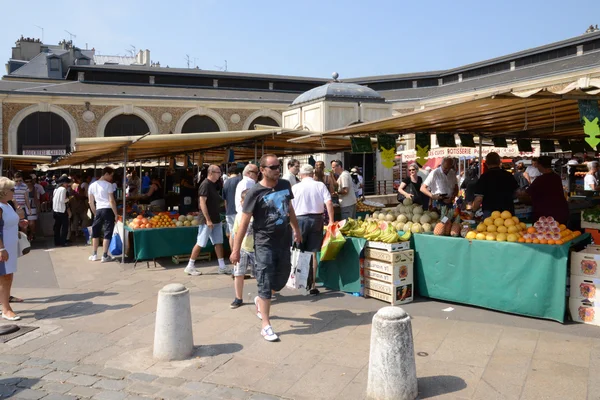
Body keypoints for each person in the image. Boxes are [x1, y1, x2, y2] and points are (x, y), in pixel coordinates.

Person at [230, 154, 302, 342]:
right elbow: (244, 223)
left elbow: (290, 208)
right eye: (273, 167)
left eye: (278, 166)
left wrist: (296, 229)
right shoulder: (254, 192)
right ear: (262, 170)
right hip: (264, 243)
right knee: (265, 280)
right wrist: (235, 250)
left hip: (283, 241)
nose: (277, 170)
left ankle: (260, 300)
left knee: (280, 280)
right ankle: (266, 325)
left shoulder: (285, 185)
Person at [292, 165, 334, 295]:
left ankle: (299, 281)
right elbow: (329, 202)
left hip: (299, 219)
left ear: (301, 175)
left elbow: (290, 208)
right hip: (317, 219)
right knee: (313, 253)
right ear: (312, 173)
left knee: (299, 250)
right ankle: (313, 285)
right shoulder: (320, 185)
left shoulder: (295, 187)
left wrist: (292, 226)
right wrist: (331, 221)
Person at [185, 165, 230, 276]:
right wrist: (208, 219)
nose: (220, 174)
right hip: (207, 220)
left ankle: (222, 266)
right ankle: (190, 266)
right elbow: (202, 203)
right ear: (211, 173)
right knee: (201, 242)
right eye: (218, 172)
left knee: (218, 242)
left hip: (216, 218)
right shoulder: (205, 184)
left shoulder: (213, 185)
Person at [0, 177, 22, 321]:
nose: (14, 192)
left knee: (8, 276)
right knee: (5, 277)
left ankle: (5, 302)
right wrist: (1, 248)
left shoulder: (7, 205)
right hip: (4, 247)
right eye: (11, 190)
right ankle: (6, 309)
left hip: (10, 246)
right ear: (3, 192)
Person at [524, 156, 569, 224]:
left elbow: (527, 193)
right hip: (560, 211)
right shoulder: (556, 177)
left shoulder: (540, 179)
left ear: (540, 165)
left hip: (546, 214)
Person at [230, 189, 255, 309]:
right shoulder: (239, 216)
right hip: (243, 248)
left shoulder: (259, 214)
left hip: (257, 249)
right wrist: (235, 250)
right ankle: (238, 298)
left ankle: (262, 296)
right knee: (238, 273)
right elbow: (235, 234)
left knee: (260, 275)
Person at [472, 152, 519, 217]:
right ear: (499, 162)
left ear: (486, 163)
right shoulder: (508, 175)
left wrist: (473, 211)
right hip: (507, 212)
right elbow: (517, 193)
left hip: (490, 213)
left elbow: (479, 199)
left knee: (490, 227)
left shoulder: (484, 177)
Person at [88, 167, 119, 262]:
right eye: (111, 175)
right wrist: (116, 214)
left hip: (98, 210)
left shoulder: (92, 185)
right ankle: (105, 255)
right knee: (107, 232)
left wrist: (95, 212)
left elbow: (90, 202)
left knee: (96, 232)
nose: (111, 178)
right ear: (106, 174)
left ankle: (94, 254)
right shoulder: (108, 185)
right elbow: (111, 201)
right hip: (108, 210)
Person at [222, 166, 242, 249]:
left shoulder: (225, 183)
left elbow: (225, 201)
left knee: (232, 234)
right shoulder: (240, 180)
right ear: (238, 173)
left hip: (229, 212)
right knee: (240, 234)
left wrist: (227, 211)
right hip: (238, 211)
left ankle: (233, 255)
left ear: (229, 174)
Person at [52, 176, 71, 247]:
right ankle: (63, 242)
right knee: (64, 227)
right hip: (62, 210)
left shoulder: (56, 189)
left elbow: (54, 199)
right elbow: (62, 200)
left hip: (55, 210)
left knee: (57, 227)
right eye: (67, 183)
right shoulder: (63, 189)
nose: (67, 184)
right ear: (63, 183)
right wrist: (68, 199)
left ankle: (57, 242)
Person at [69, 175, 90, 239]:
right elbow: (79, 195)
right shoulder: (78, 186)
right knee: (85, 219)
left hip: (73, 204)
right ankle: (84, 232)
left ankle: (76, 232)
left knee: (75, 218)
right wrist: (85, 197)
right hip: (80, 204)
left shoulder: (71, 185)